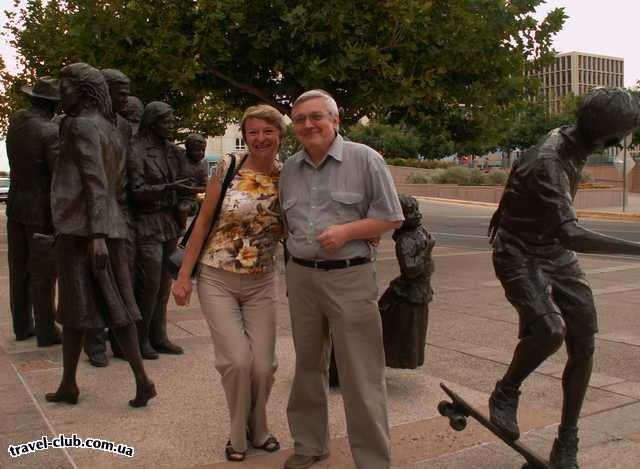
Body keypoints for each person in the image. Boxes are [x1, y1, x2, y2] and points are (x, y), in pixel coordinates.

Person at [487, 87, 640, 468]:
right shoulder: (549, 161)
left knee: (584, 340)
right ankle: (506, 391)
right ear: (610, 136)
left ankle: (566, 441)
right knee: (549, 331)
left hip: (554, 251)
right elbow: (572, 232)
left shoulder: (573, 141)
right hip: (519, 251)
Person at [280, 89, 404, 469]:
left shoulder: (364, 159)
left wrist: (347, 232)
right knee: (306, 368)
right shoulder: (289, 168)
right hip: (302, 279)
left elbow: (391, 217)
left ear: (335, 121)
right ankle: (310, 445)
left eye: (316, 116)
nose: (308, 124)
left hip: (350, 279)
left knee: (361, 375)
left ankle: (372, 461)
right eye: (300, 119)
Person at [172, 104, 285, 462]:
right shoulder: (228, 167)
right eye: (252, 132)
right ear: (245, 135)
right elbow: (202, 224)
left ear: (281, 135)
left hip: (261, 282)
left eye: (267, 131)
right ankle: (239, 433)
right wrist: (184, 277)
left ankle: (259, 424)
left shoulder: (291, 175)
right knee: (236, 361)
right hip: (216, 278)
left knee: (264, 365)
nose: (260, 138)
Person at [46, 62, 155, 407]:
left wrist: (95, 235)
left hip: (85, 231)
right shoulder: (111, 128)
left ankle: (131, 380)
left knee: (82, 306)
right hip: (111, 226)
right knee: (112, 305)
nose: (60, 93)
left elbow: (94, 181)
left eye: (65, 86)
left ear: (84, 90)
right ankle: (82, 383)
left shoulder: (79, 125)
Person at [5, 76, 62, 346]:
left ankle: (21, 326)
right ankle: (46, 331)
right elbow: (57, 176)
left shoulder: (16, 121)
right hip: (40, 211)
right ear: (52, 105)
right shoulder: (49, 131)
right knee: (43, 272)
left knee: (19, 269)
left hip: (16, 205)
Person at [128, 101, 187, 359]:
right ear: (152, 122)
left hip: (169, 223)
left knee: (164, 283)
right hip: (146, 223)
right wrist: (169, 188)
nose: (172, 125)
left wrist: (185, 198)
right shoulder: (136, 149)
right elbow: (136, 191)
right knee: (148, 283)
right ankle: (139, 340)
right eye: (167, 120)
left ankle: (159, 336)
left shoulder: (174, 151)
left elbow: (184, 182)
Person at [84, 68, 133, 367]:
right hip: (92, 212)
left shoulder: (124, 126)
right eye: (121, 91)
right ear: (104, 90)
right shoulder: (80, 123)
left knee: (120, 278)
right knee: (91, 280)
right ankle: (94, 342)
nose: (125, 97)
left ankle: (120, 339)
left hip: (119, 209)